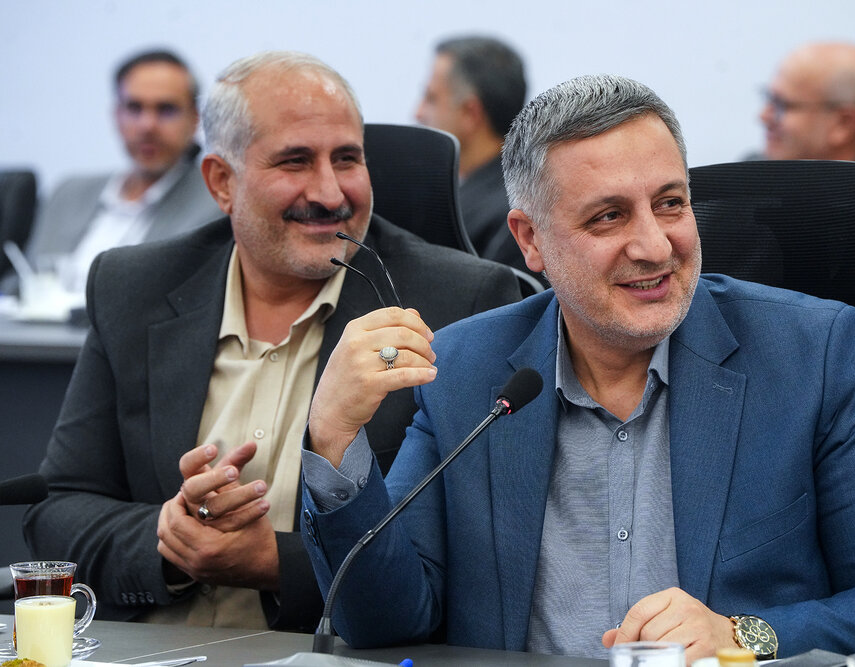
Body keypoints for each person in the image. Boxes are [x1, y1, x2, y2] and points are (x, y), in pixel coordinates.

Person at [300, 74, 855, 663]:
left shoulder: (810, 354)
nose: (653, 245)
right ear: (531, 239)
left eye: (671, 203)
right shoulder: (468, 370)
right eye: (609, 216)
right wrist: (333, 437)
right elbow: (386, 623)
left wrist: (742, 634)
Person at [23, 51, 522, 633]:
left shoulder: (458, 302)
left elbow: (476, 558)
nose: (330, 193)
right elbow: (59, 510)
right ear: (222, 182)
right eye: (295, 161)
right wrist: (169, 538)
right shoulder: (134, 287)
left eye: (347, 159)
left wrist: (276, 562)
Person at [18, 49, 220, 293]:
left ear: (195, 119)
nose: (147, 125)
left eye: (166, 109)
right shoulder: (68, 193)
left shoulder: (215, 200)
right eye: (134, 108)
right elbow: (20, 284)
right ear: (116, 115)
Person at [415, 36, 540, 283]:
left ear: (470, 113)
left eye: (431, 98)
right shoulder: (527, 192)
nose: (418, 113)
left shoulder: (503, 213)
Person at [756, 42, 855, 162]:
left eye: (781, 105)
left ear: (843, 124)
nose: (763, 116)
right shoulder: (750, 172)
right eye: (769, 99)